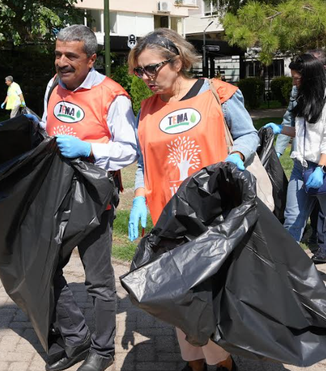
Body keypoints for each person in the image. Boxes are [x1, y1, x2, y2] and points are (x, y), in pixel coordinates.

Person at [128, 28, 259, 371]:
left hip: (211, 219)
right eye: (138, 71)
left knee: (209, 297)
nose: (145, 78)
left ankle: (223, 363)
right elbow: (144, 163)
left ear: (178, 61)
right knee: (177, 299)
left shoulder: (218, 94)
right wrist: (140, 196)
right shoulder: (146, 110)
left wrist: (236, 157)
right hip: (167, 220)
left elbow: (248, 134)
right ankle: (194, 364)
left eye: (151, 68)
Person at [33, 25, 138, 371]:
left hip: (93, 197)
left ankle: (103, 350)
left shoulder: (113, 96)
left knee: (98, 280)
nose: (61, 62)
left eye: (71, 56)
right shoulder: (53, 85)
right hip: (54, 191)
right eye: (58, 54)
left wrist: (88, 149)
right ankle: (76, 339)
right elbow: (50, 124)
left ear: (91, 59)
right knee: (45, 268)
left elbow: (128, 150)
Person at [272, 53, 326, 293]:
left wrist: (321, 167)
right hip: (301, 167)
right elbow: (304, 133)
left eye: (297, 78)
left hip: (325, 170)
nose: (294, 83)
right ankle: (289, 268)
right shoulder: (306, 96)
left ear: (312, 76)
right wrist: (281, 129)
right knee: (292, 220)